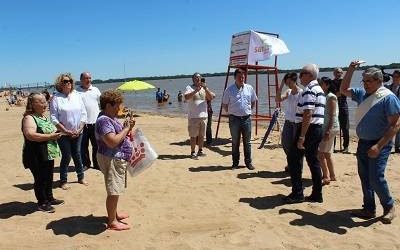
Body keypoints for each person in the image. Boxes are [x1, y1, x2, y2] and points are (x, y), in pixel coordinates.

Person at [340, 61, 400, 224]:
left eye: (369, 81)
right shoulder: (361, 94)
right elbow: (343, 90)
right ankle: (369, 208)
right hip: (363, 143)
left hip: (380, 144)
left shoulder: (388, 98)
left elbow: (395, 125)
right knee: (365, 177)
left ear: (379, 81)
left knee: (376, 178)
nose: (366, 84)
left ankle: (389, 206)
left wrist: (379, 146)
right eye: (364, 81)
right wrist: (351, 69)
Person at [284, 64, 326, 203]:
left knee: (293, 158)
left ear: (310, 75)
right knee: (313, 160)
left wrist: (302, 136)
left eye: (302, 73)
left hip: (308, 129)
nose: (300, 76)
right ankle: (317, 193)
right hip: (316, 128)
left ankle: (298, 193)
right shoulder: (319, 89)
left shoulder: (309, 89)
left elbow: (308, 113)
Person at [95, 90, 135, 231]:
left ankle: (114, 214)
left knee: (115, 188)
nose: (119, 108)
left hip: (115, 158)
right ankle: (112, 221)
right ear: (108, 105)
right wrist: (126, 129)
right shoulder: (103, 120)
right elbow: (112, 142)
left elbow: (119, 135)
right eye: (117, 105)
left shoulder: (109, 117)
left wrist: (127, 128)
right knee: (113, 189)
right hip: (111, 158)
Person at [22, 92, 64, 213]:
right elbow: (30, 135)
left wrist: (56, 133)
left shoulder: (43, 117)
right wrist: (51, 136)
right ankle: (42, 202)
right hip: (35, 154)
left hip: (48, 153)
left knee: (49, 176)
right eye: (40, 102)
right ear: (32, 104)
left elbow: (46, 131)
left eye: (45, 101)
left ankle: (49, 198)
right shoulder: (29, 118)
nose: (44, 104)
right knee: (40, 178)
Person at [50, 73, 88, 190]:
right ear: (60, 84)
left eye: (70, 81)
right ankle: (63, 180)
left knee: (77, 154)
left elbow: (83, 114)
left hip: (78, 132)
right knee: (66, 156)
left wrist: (80, 129)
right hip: (63, 133)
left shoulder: (77, 95)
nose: (68, 83)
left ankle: (81, 177)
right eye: (65, 81)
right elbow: (53, 118)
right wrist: (66, 130)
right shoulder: (56, 98)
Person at [222, 68, 258, 170]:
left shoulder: (249, 88)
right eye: (239, 77)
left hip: (246, 119)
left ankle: (248, 163)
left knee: (247, 142)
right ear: (235, 78)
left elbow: (253, 101)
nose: (242, 78)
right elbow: (224, 104)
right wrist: (231, 113)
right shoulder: (229, 90)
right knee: (235, 142)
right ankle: (235, 163)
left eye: (243, 77)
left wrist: (248, 110)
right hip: (234, 120)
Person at [275, 72, 303, 171]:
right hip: (288, 122)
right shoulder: (288, 92)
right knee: (285, 143)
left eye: (287, 80)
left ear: (292, 80)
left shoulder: (301, 93)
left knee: (297, 147)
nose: (286, 81)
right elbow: (277, 99)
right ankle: (291, 162)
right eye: (285, 80)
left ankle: (297, 166)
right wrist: (281, 84)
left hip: (298, 123)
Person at [184, 73, 215, 159]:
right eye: (195, 78)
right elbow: (186, 97)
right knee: (193, 136)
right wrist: (195, 91)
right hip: (193, 117)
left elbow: (211, 97)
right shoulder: (189, 87)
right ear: (193, 79)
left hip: (204, 116)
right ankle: (193, 152)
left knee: (201, 136)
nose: (197, 79)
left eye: (199, 78)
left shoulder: (204, 88)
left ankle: (200, 151)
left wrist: (205, 88)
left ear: (201, 79)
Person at [77, 72, 101, 170]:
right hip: (82, 124)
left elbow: (102, 103)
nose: (88, 80)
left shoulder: (95, 90)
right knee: (83, 146)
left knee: (96, 145)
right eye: (86, 78)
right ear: (81, 80)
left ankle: (96, 164)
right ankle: (86, 164)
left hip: (95, 122)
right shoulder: (76, 92)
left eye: (90, 78)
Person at [318, 77, 339, 186]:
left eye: (321, 83)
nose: (319, 85)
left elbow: (332, 115)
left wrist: (328, 131)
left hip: (330, 127)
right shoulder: (324, 96)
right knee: (327, 153)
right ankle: (332, 175)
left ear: (327, 85)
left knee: (320, 153)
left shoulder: (331, 97)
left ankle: (326, 176)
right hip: (326, 127)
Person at [332, 67, 350, 153]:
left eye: (339, 72)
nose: (337, 74)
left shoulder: (344, 82)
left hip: (343, 106)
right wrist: (336, 94)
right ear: (334, 73)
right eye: (336, 72)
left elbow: (345, 92)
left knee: (345, 128)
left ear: (342, 73)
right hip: (334, 105)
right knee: (333, 126)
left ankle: (346, 146)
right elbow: (330, 93)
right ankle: (332, 146)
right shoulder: (331, 82)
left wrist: (339, 93)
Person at [384, 70, 400, 153]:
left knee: (398, 131)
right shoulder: (387, 86)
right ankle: (386, 145)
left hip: (399, 111)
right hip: (389, 112)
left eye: (397, 77)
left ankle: (397, 147)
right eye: (393, 76)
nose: (394, 78)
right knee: (388, 129)